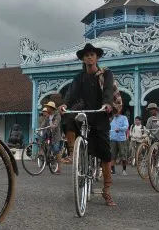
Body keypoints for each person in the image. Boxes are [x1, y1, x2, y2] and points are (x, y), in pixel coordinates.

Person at [58, 43, 116, 206]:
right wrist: (64, 105)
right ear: (83, 59)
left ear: (97, 57)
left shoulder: (106, 74)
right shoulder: (79, 77)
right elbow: (71, 94)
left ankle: (106, 191)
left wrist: (107, 104)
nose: (89, 57)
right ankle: (72, 152)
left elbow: (108, 92)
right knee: (68, 118)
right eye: (86, 55)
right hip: (85, 115)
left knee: (105, 154)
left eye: (92, 55)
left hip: (101, 114)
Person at [44, 101, 63, 174]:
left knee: (56, 150)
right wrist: (39, 129)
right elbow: (44, 124)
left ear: (51, 108)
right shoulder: (47, 116)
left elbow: (56, 123)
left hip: (56, 136)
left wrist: (54, 125)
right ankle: (51, 163)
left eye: (48, 107)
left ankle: (59, 168)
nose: (46, 109)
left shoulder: (57, 115)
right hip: (49, 135)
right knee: (49, 149)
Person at [109, 106, 129, 175]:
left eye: (116, 111)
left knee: (123, 155)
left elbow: (126, 126)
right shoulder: (112, 118)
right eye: (114, 112)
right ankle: (112, 170)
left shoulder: (124, 118)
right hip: (113, 138)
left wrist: (120, 128)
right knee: (112, 155)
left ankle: (124, 170)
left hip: (121, 139)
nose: (115, 113)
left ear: (119, 111)